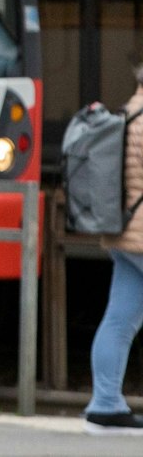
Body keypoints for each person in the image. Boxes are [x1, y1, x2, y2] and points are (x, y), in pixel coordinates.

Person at [90, 61, 143, 433]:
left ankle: (105, 405)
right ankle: (105, 404)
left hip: (125, 235)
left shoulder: (126, 113)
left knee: (119, 320)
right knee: (120, 321)